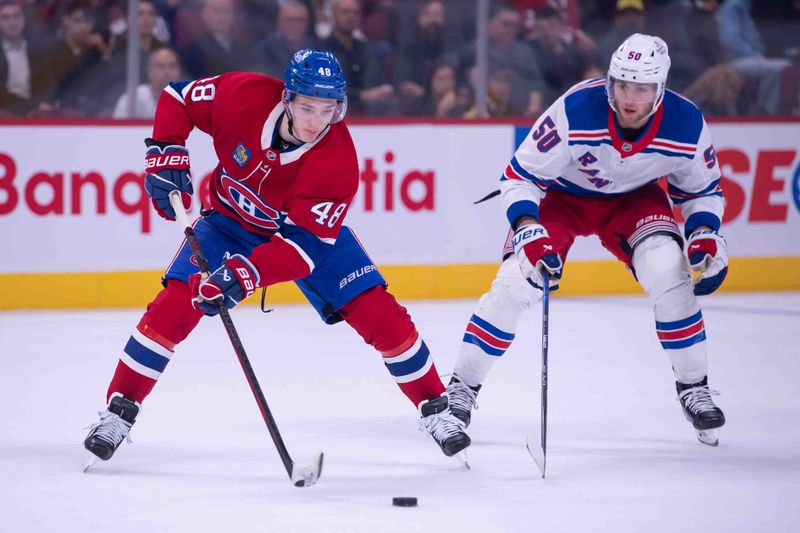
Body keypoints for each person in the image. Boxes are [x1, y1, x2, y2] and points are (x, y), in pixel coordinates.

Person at [83, 49, 470, 464]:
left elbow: (302, 252)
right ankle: (119, 411)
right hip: (228, 225)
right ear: (286, 98)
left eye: (328, 110)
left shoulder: (337, 161)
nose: (315, 122)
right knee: (173, 305)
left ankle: (436, 408)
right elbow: (178, 98)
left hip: (304, 241)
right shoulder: (243, 95)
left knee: (381, 315)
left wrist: (246, 275)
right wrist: (166, 149)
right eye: (306, 107)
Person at [446, 34, 728, 447]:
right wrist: (527, 227)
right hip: (563, 197)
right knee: (514, 283)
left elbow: (702, 191)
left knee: (671, 277)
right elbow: (520, 176)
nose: (629, 97)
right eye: (622, 84)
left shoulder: (686, 122)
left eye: (642, 88)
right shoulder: (577, 107)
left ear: (660, 89)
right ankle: (461, 389)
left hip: (633, 201)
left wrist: (703, 234)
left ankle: (693, 387)